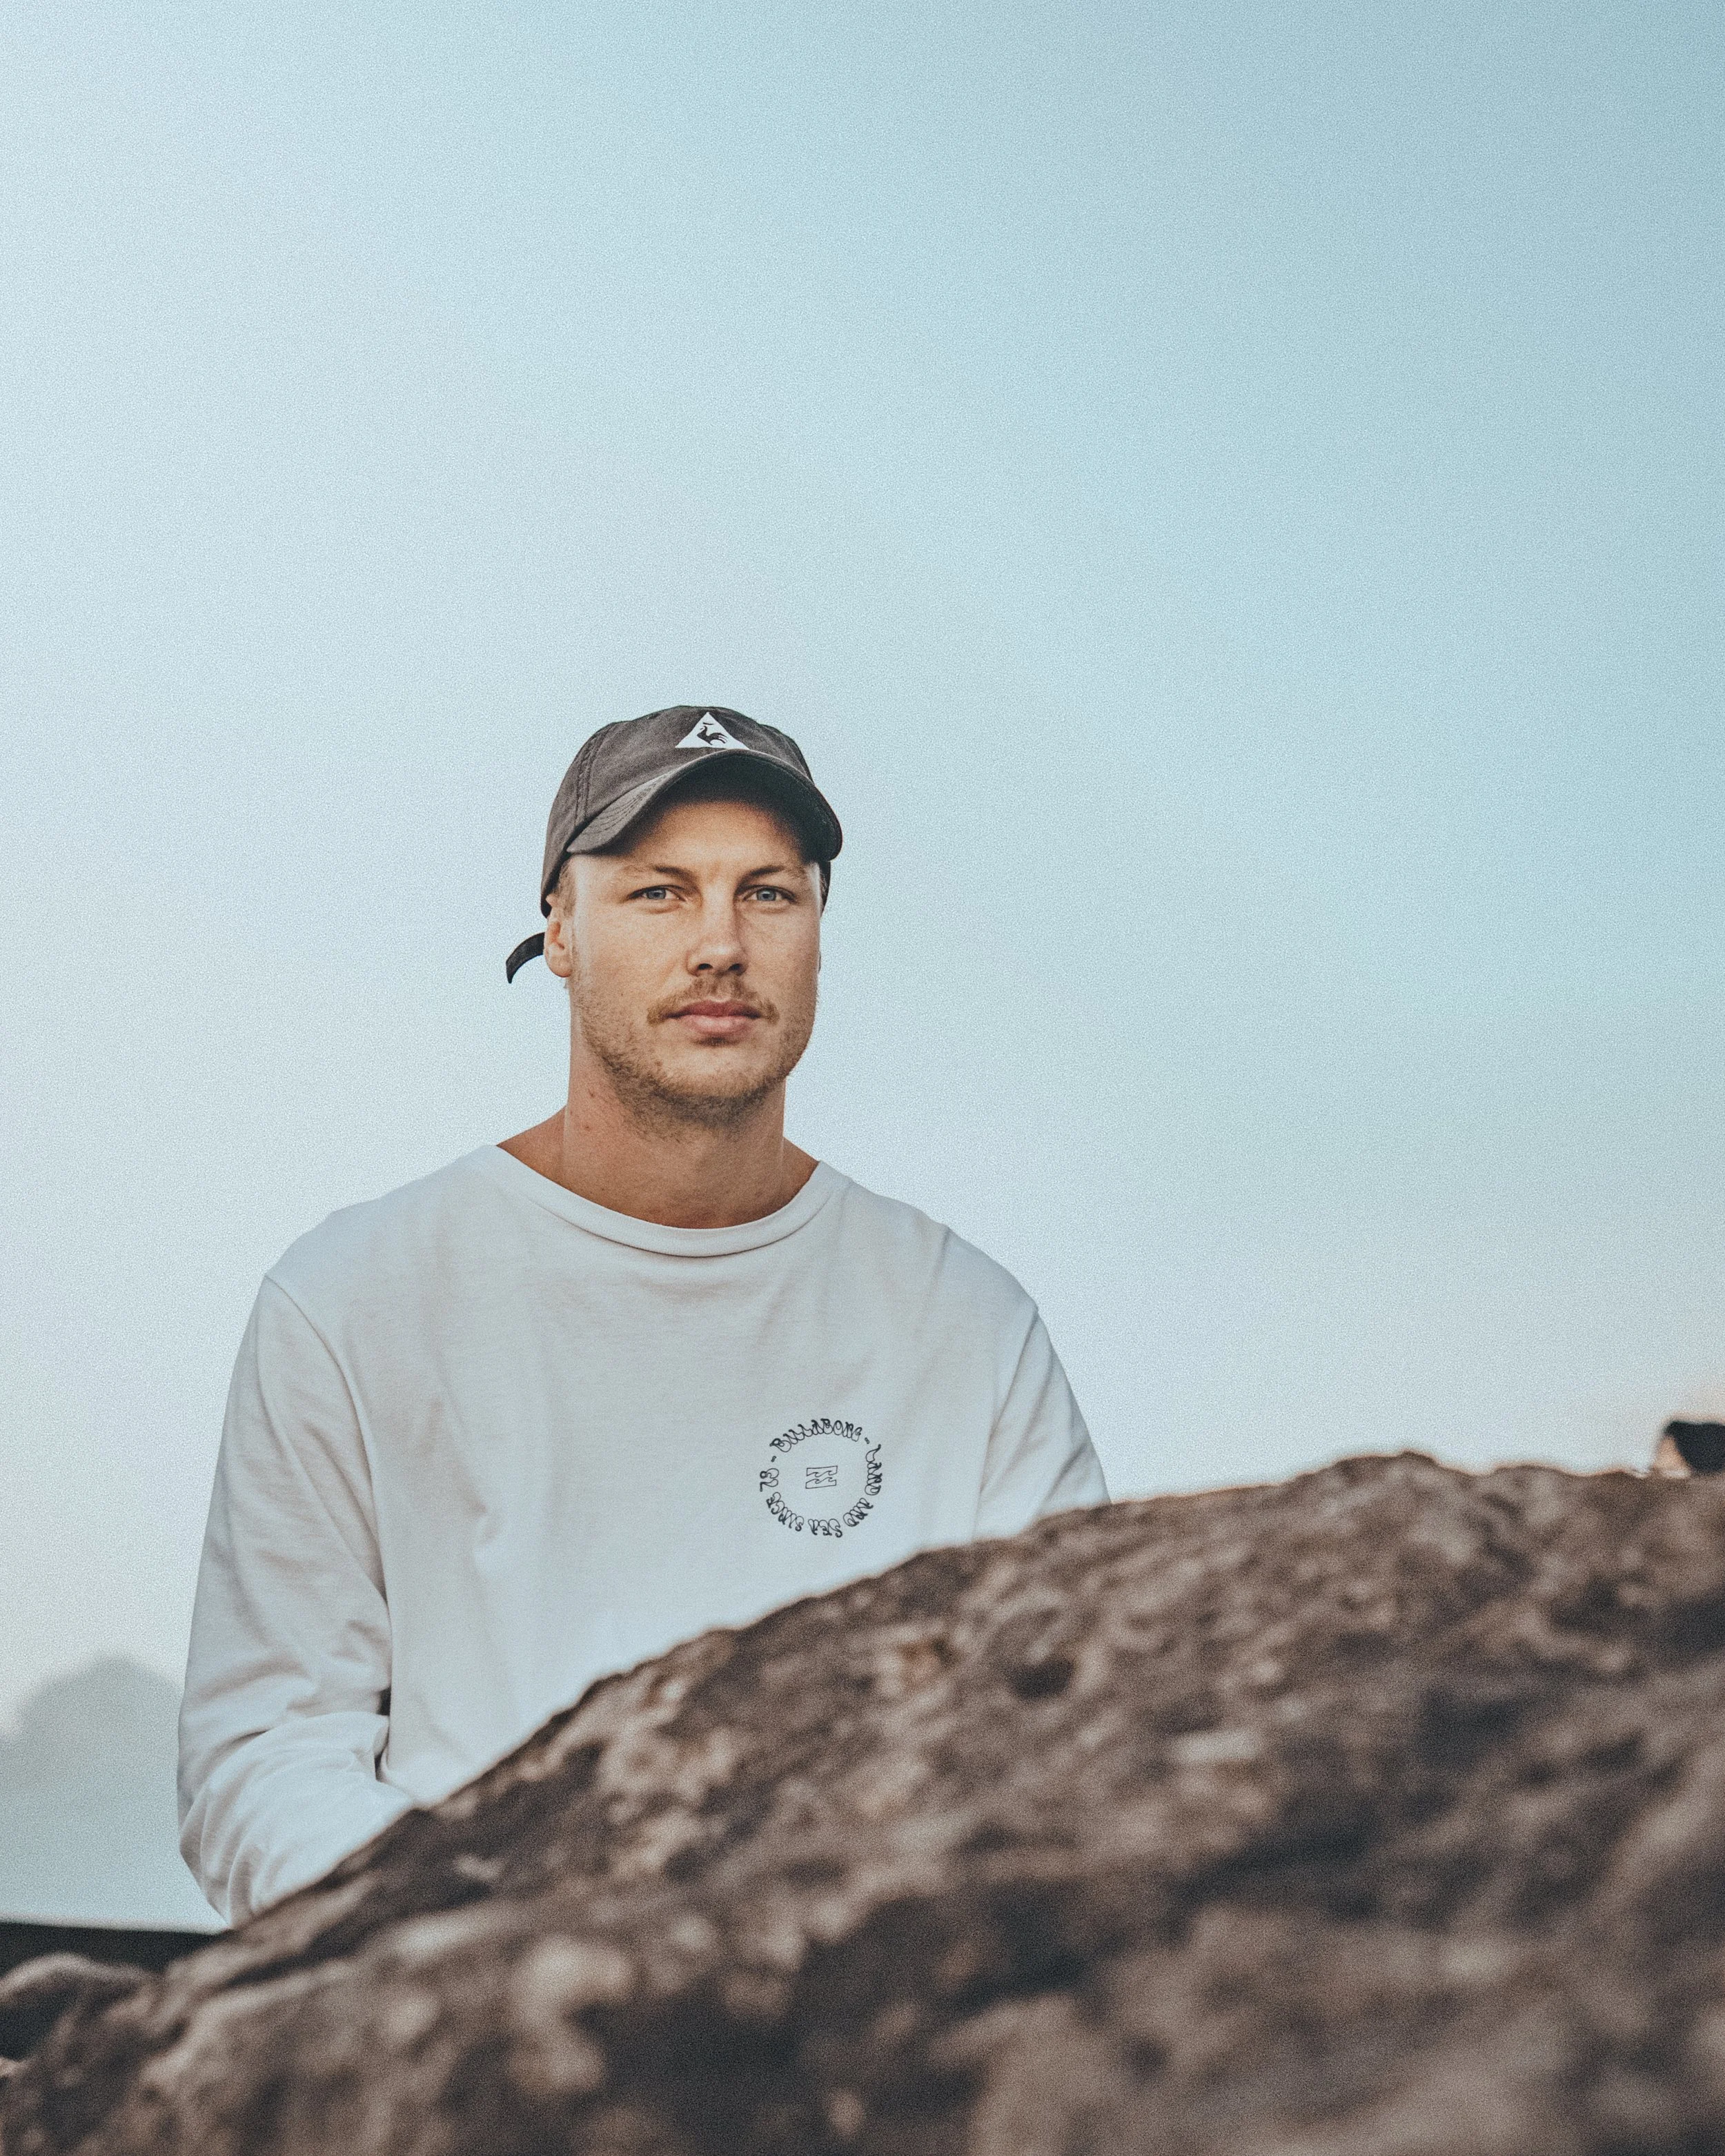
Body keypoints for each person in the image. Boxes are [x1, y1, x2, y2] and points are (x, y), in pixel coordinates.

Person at [178, 706, 1108, 1925]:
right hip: (468, 2014)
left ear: (822, 931)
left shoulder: (965, 1324)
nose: (720, 945)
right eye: (659, 894)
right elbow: (265, 1751)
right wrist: (467, 1950)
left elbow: (1070, 1720)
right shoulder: (354, 1297)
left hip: (860, 2011)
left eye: (768, 895)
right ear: (560, 929)